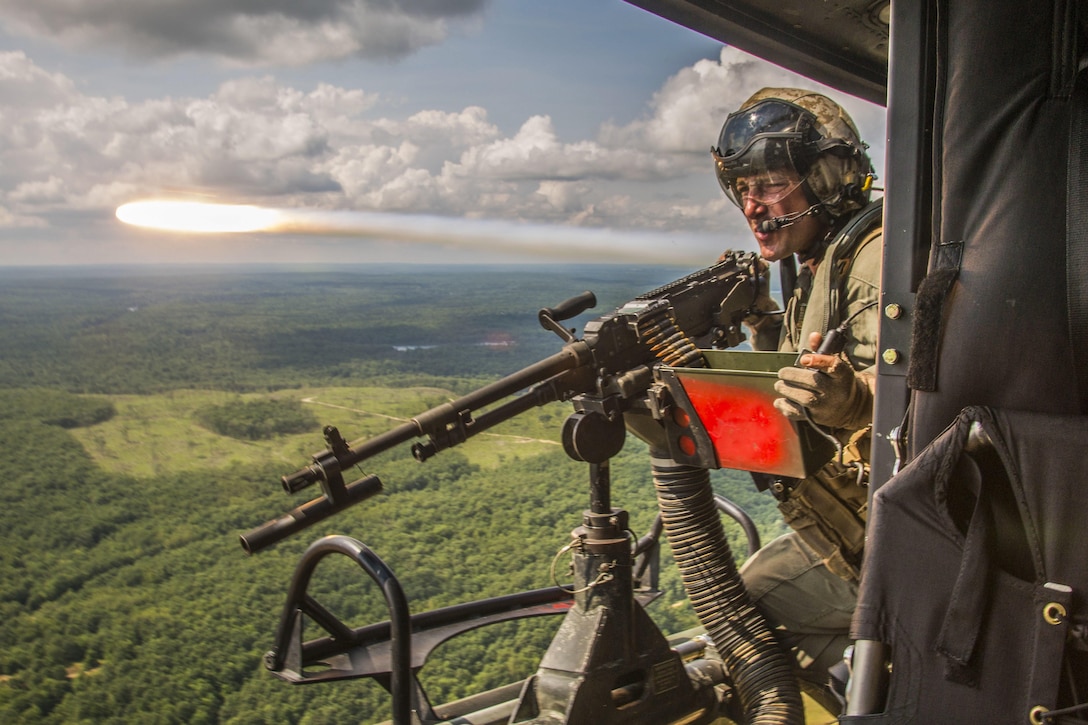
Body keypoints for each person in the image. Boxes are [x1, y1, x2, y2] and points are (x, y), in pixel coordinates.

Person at [711, 87, 882, 709]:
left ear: (828, 180)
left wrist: (856, 406)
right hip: (861, 529)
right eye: (743, 189)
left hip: (901, 549)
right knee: (742, 601)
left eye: (771, 184)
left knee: (744, 613)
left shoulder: (872, 263)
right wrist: (764, 331)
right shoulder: (819, 262)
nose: (752, 207)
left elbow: (938, 412)